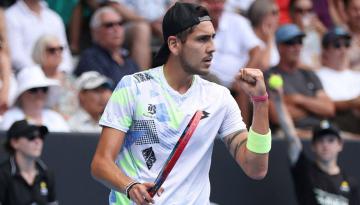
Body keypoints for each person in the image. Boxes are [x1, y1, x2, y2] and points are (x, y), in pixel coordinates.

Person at [91, 2, 271, 205]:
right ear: (174, 44)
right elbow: (101, 163)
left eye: (212, 38)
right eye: (202, 39)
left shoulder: (218, 97)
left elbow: (256, 169)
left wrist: (260, 102)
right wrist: (130, 186)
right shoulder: (133, 88)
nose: (212, 48)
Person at [270, 85, 360, 205]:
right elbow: (291, 137)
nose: (325, 145)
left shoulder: (350, 183)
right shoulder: (304, 171)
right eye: (320, 140)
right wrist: (278, 102)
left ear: (340, 145)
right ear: (313, 146)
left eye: (331, 140)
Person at [266, 24, 334, 132]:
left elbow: (328, 108)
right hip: (290, 132)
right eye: (291, 43)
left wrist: (297, 99)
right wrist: (314, 108)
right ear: (279, 47)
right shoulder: (269, 75)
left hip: (321, 131)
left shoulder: (309, 74)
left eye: (300, 42)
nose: (297, 47)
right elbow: (277, 116)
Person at [75, 6, 140, 84]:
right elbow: (102, 92)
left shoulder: (128, 59)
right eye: (109, 25)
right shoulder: (90, 58)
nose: (116, 29)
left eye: (120, 24)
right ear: (95, 31)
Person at [0, 119, 58, 205]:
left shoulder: (47, 174)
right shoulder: (3, 174)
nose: (38, 141)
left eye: (41, 136)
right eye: (31, 136)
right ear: (14, 142)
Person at [5, 0, 73, 73]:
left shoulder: (54, 17)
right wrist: (41, 75)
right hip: (26, 77)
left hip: (58, 77)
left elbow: (65, 54)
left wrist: (61, 72)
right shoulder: (10, 17)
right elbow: (16, 57)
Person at [316, 27, 360, 135]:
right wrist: (352, 103)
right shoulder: (317, 75)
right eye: (337, 45)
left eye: (346, 44)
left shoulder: (357, 75)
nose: (343, 50)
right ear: (325, 50)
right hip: (334, 124)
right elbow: (324, 107)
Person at [0, 65, 70, 132]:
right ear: (22, 94)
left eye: (44, 89)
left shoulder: (56, 118)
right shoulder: (11, 118)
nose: (40, 94)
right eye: (34, 89)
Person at [32, 34, 78, 120]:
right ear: (40, 52)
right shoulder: (33, 80)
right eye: (51, 50)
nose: (57, 53)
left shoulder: (71, 80)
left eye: (60, 49)